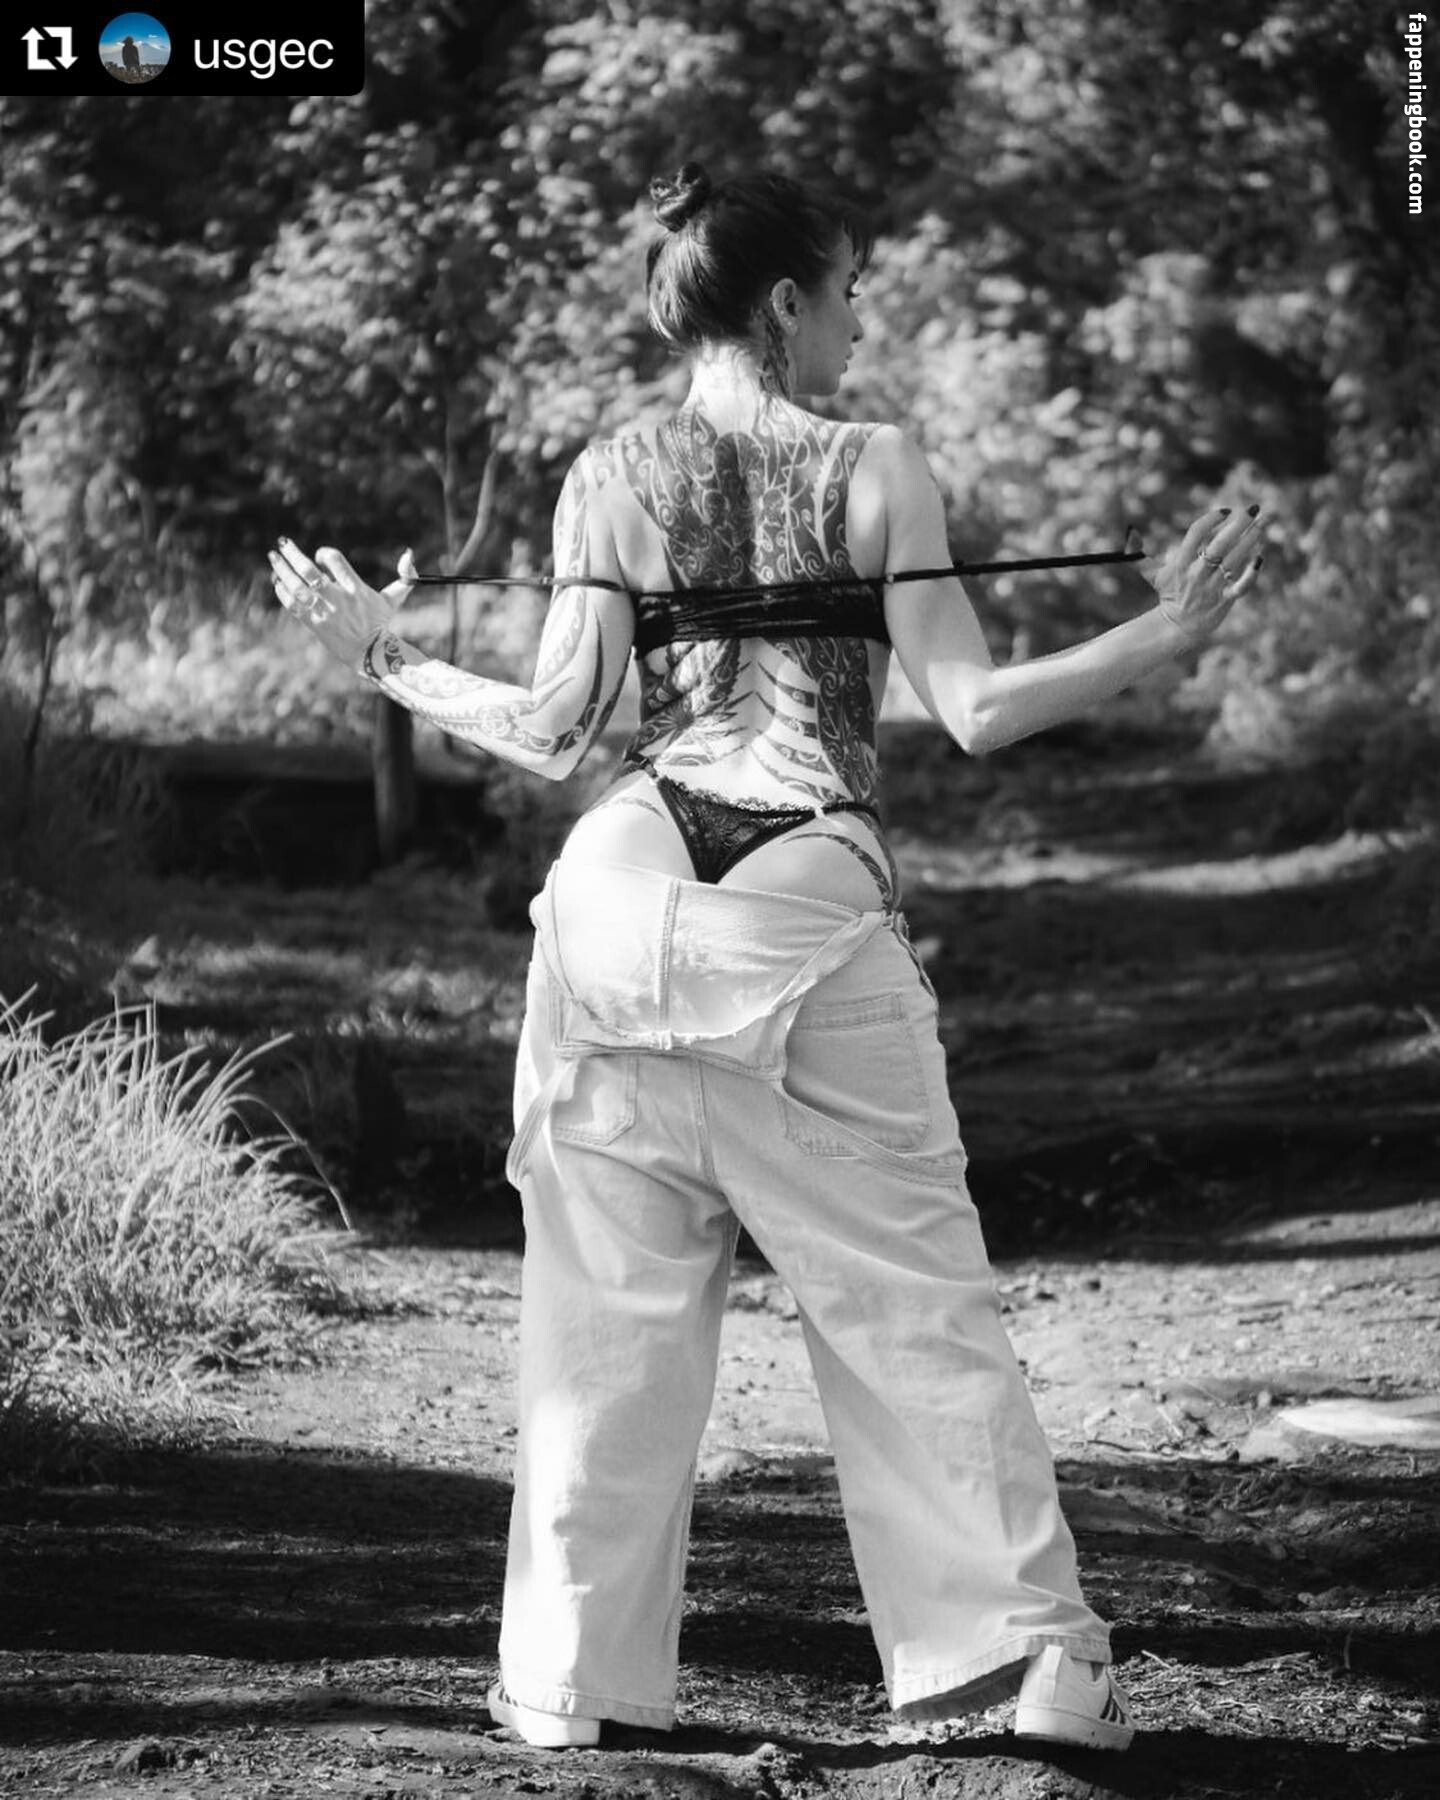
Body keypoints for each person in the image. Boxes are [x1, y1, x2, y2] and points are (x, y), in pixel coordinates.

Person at [270, 159, 1264, 1754]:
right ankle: (1030, 1670)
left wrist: (382, 656)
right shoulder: (878, 465)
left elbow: (552, 731)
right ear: (789, 300)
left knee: (599, 1330)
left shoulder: (611, 471)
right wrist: (1171, 631)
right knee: (912, 1306)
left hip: (617, 896)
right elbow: (974, 710)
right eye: (851, 291)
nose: (860, 325)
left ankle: (567, 1689)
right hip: (802, 900)